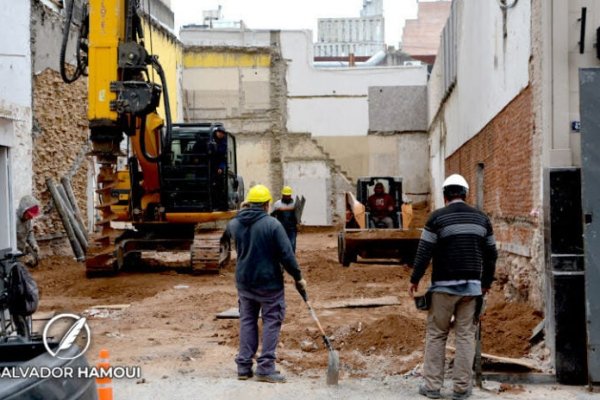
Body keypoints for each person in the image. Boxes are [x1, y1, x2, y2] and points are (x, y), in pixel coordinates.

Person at [408, 174, 497, 400]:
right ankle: (461, 389)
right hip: (471, 289)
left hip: (443, 288)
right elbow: (491, 254)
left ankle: (432, 387)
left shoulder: (437, 218)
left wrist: (415, 279)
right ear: (465, 195)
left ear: (445, 196)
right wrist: (485, 283)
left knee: (437, 334)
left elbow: (424, 251)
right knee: (466, 336)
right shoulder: (482, 219)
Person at [223, 184, 307, 383]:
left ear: (250, 203)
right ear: (267, 204)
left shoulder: (235, 223)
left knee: (247, 320)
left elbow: (234, 240)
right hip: (269, 283)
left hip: (244, 281)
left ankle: (243, 367)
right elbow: (287, 255)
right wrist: (298, 277)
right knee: (271, 320)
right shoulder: (272, 225)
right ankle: (265, 367)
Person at [271, 186, 299, 252]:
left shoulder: (294, 204)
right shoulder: (277, 204)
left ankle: (291, 260)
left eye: (288, 195)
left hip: (292, 228)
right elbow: (272, 215)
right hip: (281, 228)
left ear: (290, 195)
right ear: (283, 195)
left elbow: (297, 216)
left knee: (292, 245)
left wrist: (297, 224)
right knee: (281, 245)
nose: (287, 197)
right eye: (285, 195)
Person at [16, 195, 41, 268]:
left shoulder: (28, 220)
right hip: (12, 254)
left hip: (21, 251)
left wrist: (34, 244)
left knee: (34, 260)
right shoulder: (13, 221)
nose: (31, 217)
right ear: (24, 210)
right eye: (30, 215)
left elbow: (29, 232)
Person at [210, 126, 228, 210]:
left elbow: (223, 157)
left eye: (222, 133)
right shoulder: (210, 138)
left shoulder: (223, 143)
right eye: (219, 133)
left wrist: (221, 167)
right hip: (209, 164)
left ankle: (219, 205)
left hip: (217, 167)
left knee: (219, 186)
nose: (221, 135)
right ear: (216, 132)